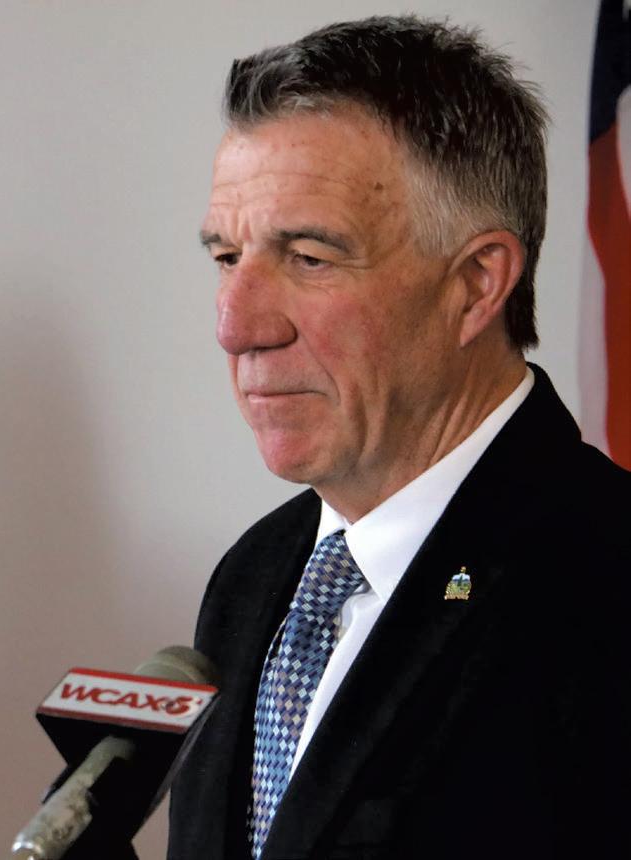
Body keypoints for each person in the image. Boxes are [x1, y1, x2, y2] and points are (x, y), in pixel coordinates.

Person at [169, 16, 631, 859]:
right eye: (227, 257)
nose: (236, 327)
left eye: (309, 257)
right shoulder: (251, 577)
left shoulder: (607, 581)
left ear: (475, 284)